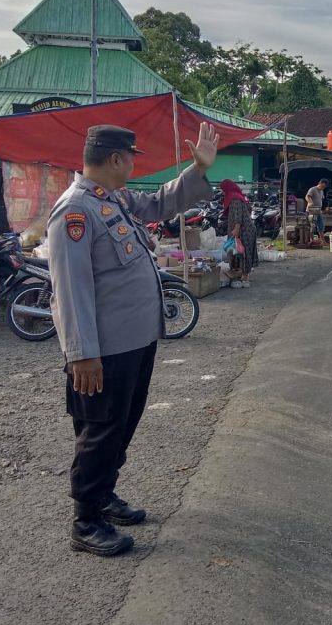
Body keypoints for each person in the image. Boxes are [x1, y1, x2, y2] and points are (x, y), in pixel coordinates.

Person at [47, 122, 219, 557]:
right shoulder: (75, 210)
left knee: (122, 425)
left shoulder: (114, 199)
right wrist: (81, 354)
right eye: (131, 157)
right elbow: (71, 290)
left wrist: (197, 169)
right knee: (100, 430)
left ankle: (104, 496)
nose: (133, 165)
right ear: (116, 159)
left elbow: (161, 202)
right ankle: (85, 520)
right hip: (102, 349)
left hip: (135, 342)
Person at [218, 179, 259, 288]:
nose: (223, 192)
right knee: (238, 251)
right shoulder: (236, 196)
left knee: (243, 252)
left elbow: (237, 217)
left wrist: (235, 231)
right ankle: (240, 274)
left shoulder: (234, 199)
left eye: (223, 190)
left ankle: (245, 277)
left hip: (244, 230)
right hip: (245, 228)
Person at [305, 178, 328, 243]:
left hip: (318, 211)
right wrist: (310, 202)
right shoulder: (312, 189)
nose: (322, 188)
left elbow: (321, 199)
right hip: (311, 211)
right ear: (319, 183)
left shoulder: (322, 191)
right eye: (322, 186)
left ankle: (323, 241)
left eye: (324, 187)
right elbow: (307, 196)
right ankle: (311, 240)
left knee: (321, 225)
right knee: (312, 226)